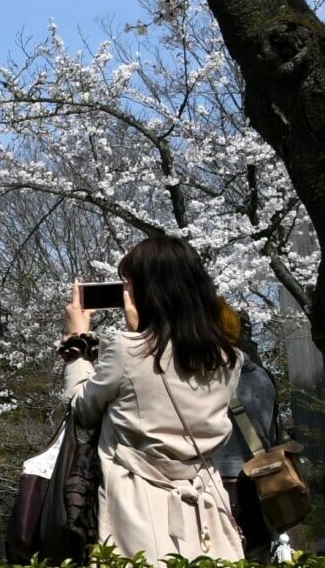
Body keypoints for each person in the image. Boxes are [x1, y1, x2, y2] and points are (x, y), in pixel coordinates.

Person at [62, 235, 244, 562]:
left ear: (150, 292)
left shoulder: (127, 350)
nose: (126, 294)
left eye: (129, 285)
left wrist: (77, 342)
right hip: (205, 506)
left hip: (136, 506)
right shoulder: (228, 360)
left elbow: (83, 409)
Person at [212, 302, 284, 561]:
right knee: (258, 555)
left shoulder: (205, 378)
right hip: (261, 480)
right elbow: (274, 432)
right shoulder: (262, 376)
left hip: (220, 482)